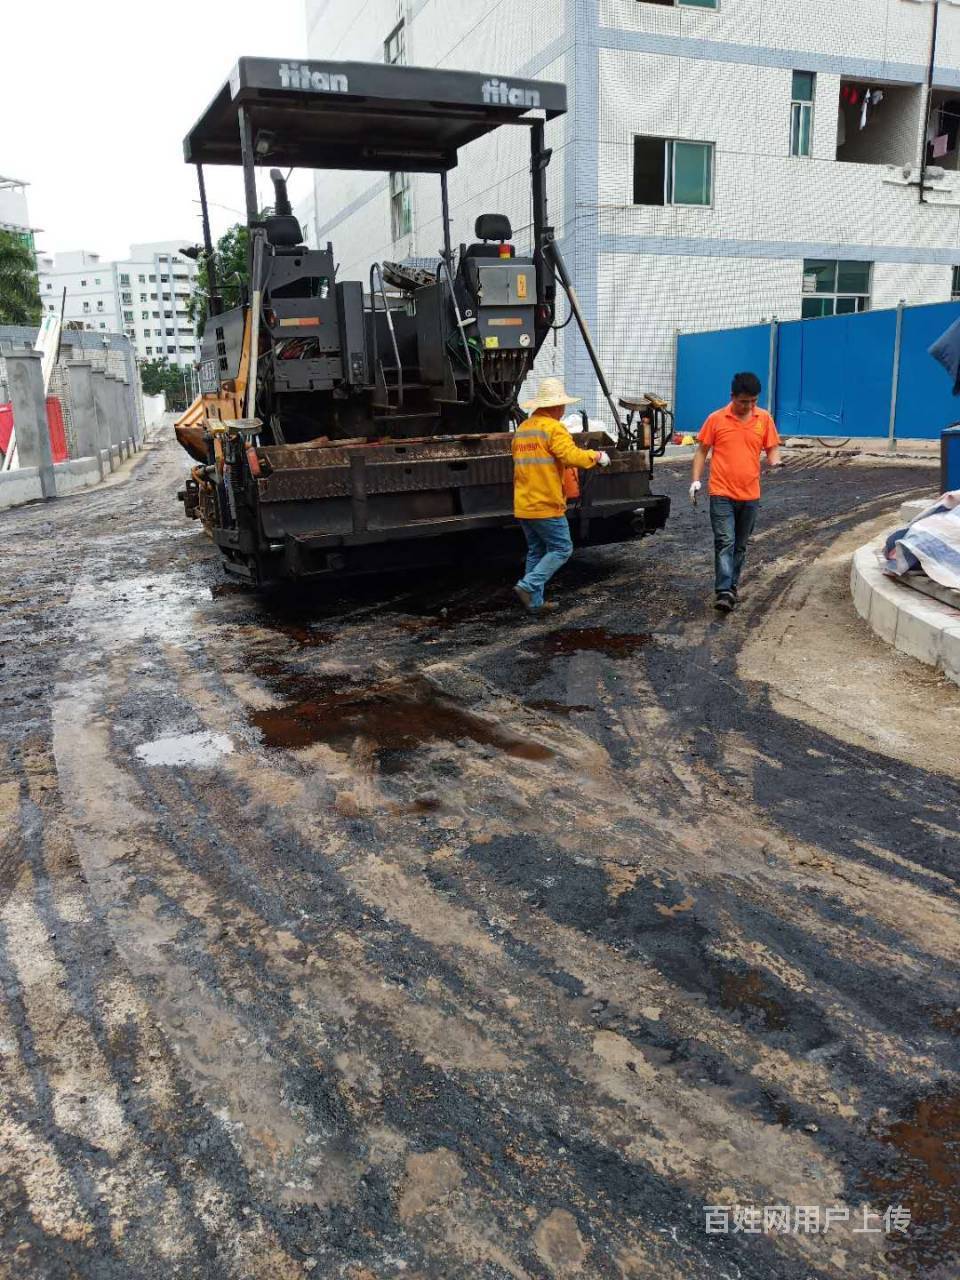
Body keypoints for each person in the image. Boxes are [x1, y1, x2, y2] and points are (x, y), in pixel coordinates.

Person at [512, 377, 610, 612]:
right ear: (556, 406)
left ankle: (534, 603)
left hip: (524, 503)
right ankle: (528, 585)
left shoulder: (524, 428)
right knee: (562, 548)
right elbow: (571, 456)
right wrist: (596, 457)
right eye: (562, 405)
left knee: (537, 550)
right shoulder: (554, 428)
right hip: (546, 503)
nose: (563, 410)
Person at [690, 371, 782, 612]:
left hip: (750, 494)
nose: (749, 406)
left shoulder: (764, 419)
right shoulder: (716, 419)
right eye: (743, 401)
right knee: (725, 541)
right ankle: (723, 590)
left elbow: (771, 448)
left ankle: (732, 586)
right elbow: (701, 450)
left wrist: (775, 462)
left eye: (753, 401)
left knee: (740, 544)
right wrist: (695, 480)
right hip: (721, 492)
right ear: (732, 397)